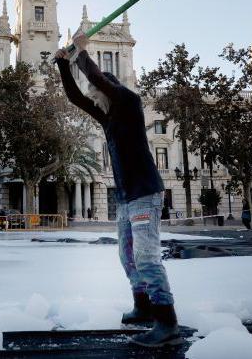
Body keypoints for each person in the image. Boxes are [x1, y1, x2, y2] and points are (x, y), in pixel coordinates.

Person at [55, 34, 181, 347]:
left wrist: (81, 53)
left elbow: (98, 79)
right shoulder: (108, 117)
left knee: (146, 256)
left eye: (97, 94)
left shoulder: (128, 101)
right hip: (126, 198)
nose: (94, 100)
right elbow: (77, 99)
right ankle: (143, 306)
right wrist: (62, 65)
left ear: (107, 90)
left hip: (145, 193)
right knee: (127, 256)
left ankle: (167, 321)